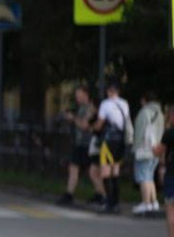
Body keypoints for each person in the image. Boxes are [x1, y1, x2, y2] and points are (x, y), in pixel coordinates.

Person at [57, 85, 105, 206]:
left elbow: (84, 125)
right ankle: (70, 194)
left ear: (86, 95)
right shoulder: (82, 108)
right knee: (75, 168)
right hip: (81, 144)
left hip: (87, 144)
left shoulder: (90, 108)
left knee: (92, 172)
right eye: (76, 95)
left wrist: (73, 118)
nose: (77, 98)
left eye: (79, 95)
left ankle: (102, 195)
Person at [91, 80, 131, 214]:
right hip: (121, 141)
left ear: (109, 91)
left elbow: (100, 124)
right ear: (118, 92)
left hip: (109, 141)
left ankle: (109, 203)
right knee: (115, 171)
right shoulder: (124, 103)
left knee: (105, 172)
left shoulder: (105, 104)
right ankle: (116, 203)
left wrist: (93, 128)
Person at [131, 92, 164, 217]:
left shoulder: (144, 113)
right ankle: (153, 202)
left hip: (144, 149)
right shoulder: (160, 113)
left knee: (143, 176)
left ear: (144, 100)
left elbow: (140, 132)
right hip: (156, 149)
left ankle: (145, 202)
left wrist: (135, 147)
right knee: (150, 176)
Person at [156, 107, 174, 237]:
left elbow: (158, 151)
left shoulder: (169, 133)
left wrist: (153, 148)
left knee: (171, 210)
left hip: (172, 175)